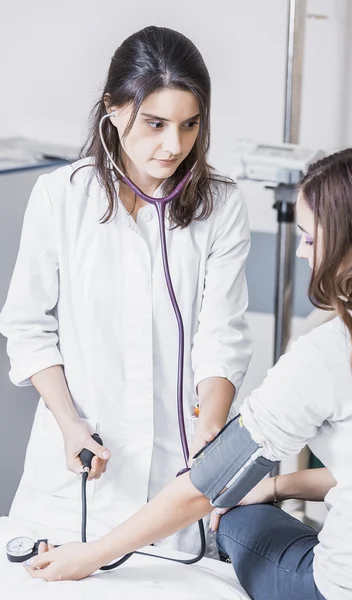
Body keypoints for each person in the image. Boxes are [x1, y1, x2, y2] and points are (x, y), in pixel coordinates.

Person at [25, 146, 352, 600]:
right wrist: (276, 485)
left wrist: (92, 554)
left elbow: (206, 489)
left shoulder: (333, 351)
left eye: (311, 239)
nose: (299, 251)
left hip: (349, 590)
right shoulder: (61, 193)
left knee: (234, 514)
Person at [0, 26, 252, 557]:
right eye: (155, 123)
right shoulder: (60, 197)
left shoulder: (222, 206)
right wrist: (70, 425)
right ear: (113, 111)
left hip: (174, 479)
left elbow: (221, 336)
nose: (174, 146)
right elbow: (27, 327)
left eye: (189, 125)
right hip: (74, 478)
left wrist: (210, 433)